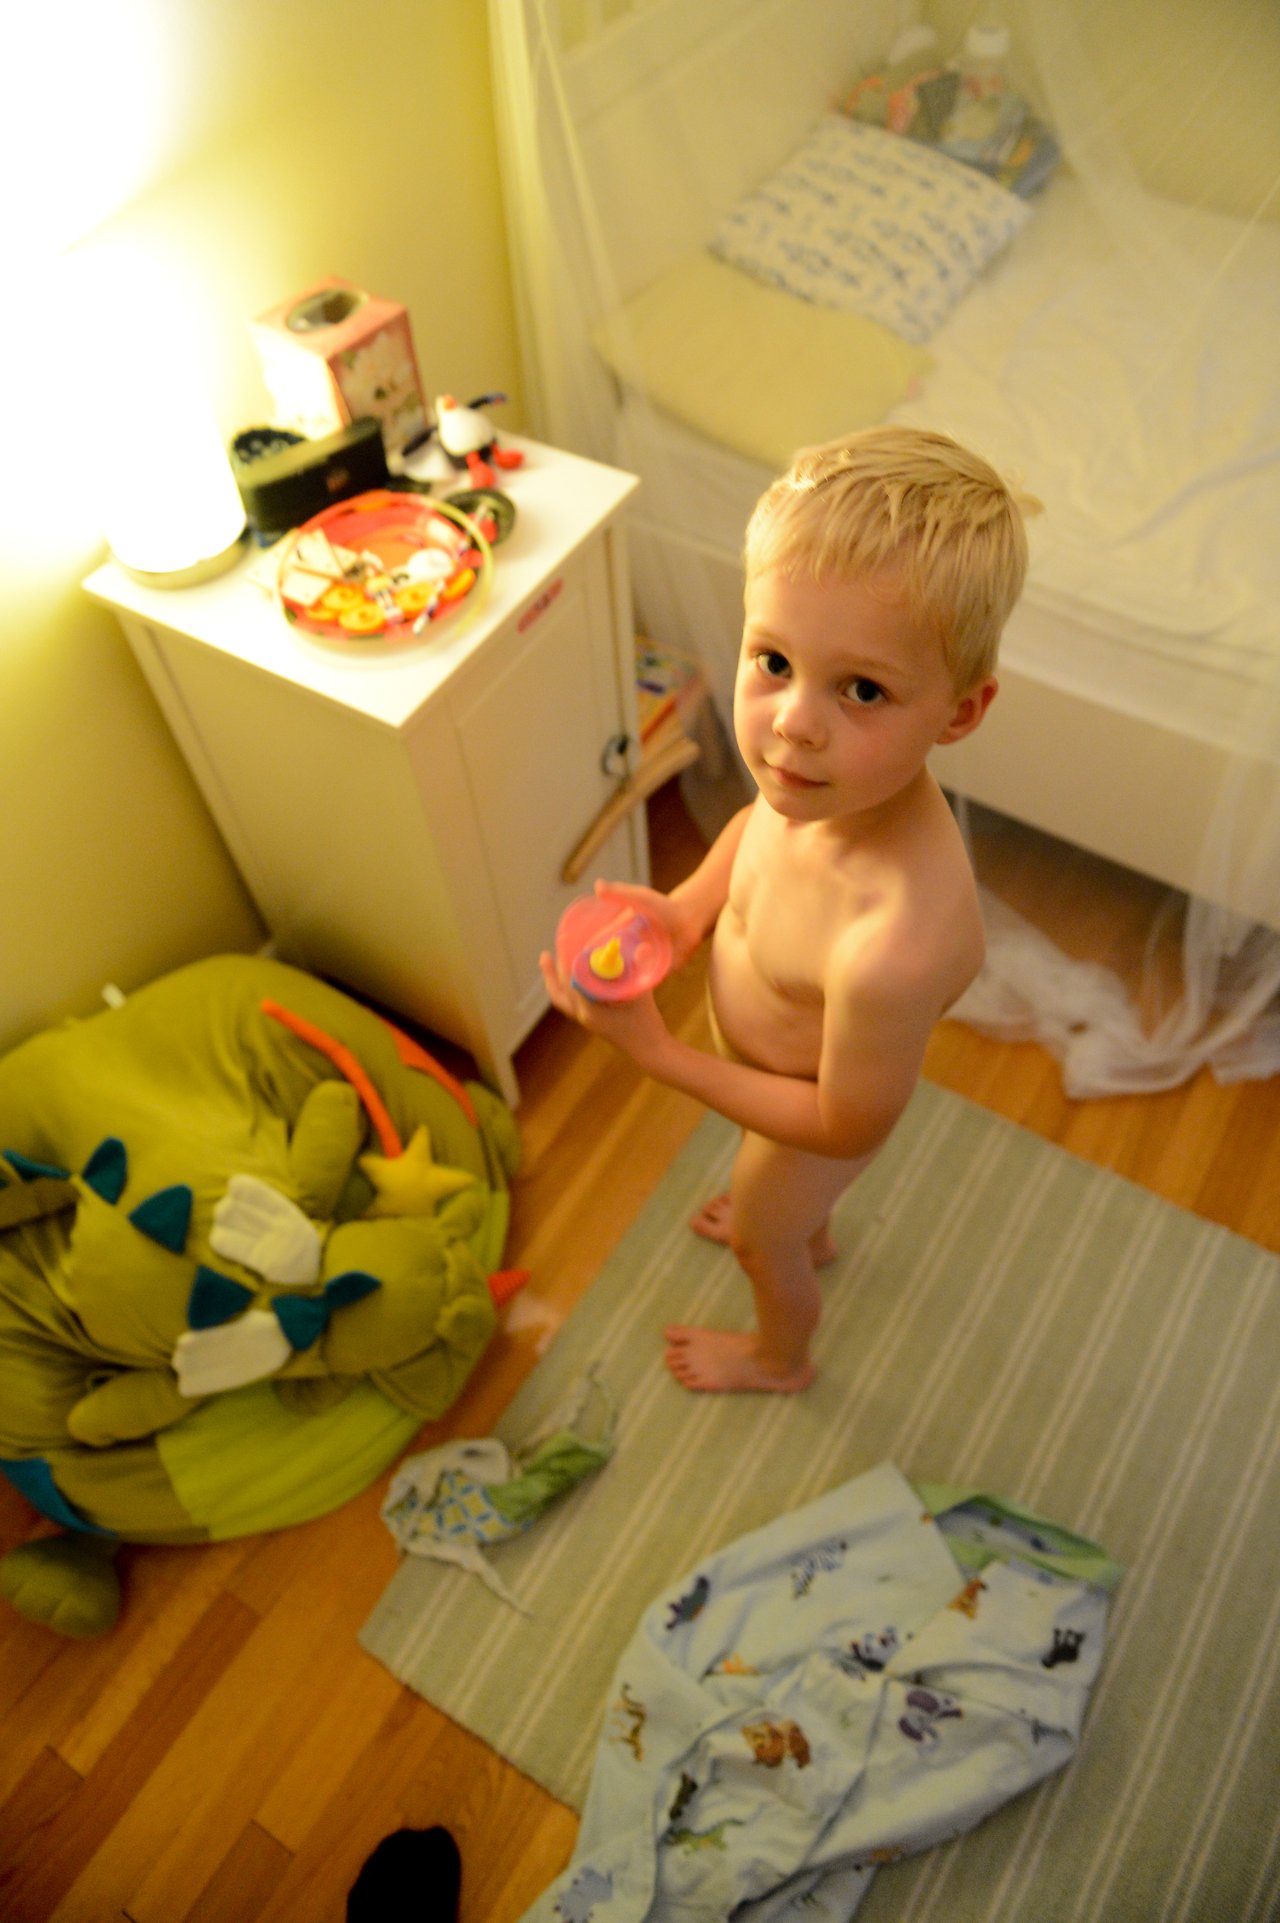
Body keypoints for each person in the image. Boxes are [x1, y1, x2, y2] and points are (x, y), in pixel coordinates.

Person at [540, 427, 1034, 1394]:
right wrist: (684, 916)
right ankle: (812, 1221)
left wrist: (661, 1055)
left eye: (861, 689)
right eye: (772, 660)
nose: (794, 722)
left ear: (960, 713)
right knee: (786, 1208)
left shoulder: (887, 941)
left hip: (807, 1112)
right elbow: (751, 834)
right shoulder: (819, 782)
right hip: (779, 1071)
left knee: (762, 1245)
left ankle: (779, 1357)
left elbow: (842, 1123)